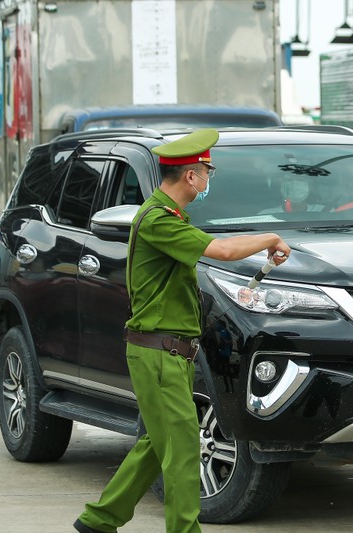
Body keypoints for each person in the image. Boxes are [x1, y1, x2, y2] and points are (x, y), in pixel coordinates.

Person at [74, 129, 290, 533]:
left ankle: (99, 520)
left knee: (159, 444)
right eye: (207, 171)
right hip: (160, 352)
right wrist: (271, 238)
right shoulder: (159, 220)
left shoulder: (170, 218)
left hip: (166, 352)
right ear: (191, 176)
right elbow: (223, 251)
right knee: (184, 446)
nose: (209, 179)